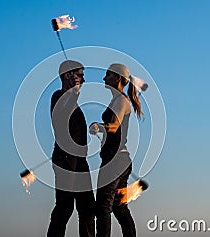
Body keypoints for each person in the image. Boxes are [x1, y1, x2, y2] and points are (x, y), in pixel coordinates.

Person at [89, 64, 143, 237]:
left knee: (103, 207)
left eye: (108, 75)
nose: (104, 78)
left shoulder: (121, 100)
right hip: (120, 160)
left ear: (118, 78)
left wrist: (100, 126)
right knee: (119, 207)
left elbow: (113, 126)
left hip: (115, 162)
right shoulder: (118, 100)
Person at [47, 60, 95, 237]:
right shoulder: (58, 96)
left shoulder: (71, 100)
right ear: (68, 75)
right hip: (66, 159)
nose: (83, 80)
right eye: (80, 75)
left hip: (79, 161)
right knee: (65, 207)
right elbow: (61, 117)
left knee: (88, 208)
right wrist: (74, 94)